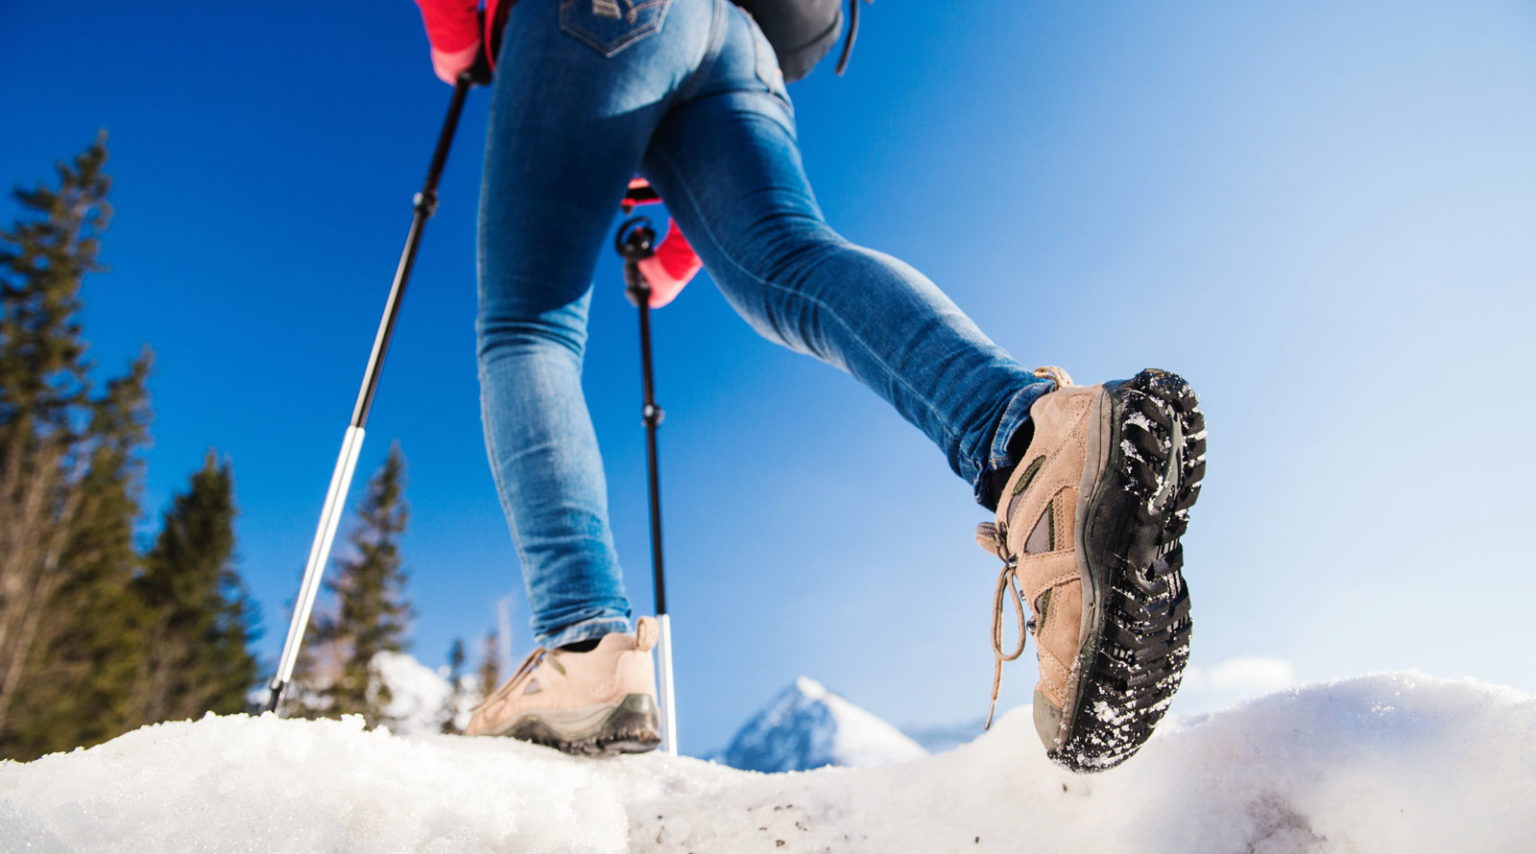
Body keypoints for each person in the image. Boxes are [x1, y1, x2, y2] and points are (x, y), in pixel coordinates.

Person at [414, 0, 1204, 771]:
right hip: (740, 41)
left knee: (530, 328)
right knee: (794, 260)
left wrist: (459, 38)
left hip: (588, 17)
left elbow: (487, 42)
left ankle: (584, 645)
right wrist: (671, 263)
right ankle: (1034, 436)